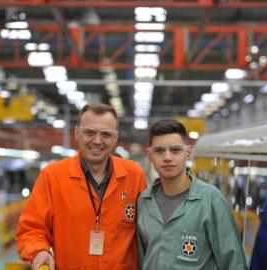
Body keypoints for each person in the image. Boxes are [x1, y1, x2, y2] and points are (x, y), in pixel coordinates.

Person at [15, 102, 147, 270]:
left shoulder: (134, 175)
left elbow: (148, 231)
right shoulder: (53, 176)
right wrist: (39, 251)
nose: (97, 141)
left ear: (115, 138)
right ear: (77, 133)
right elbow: (31, 230)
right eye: (90, 132)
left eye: (106, 134)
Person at [137, 119, 247, 270]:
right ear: (150, 155)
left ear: (187, 152)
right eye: (159, 150)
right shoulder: (144, 202)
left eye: (175, 150)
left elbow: (234, 264)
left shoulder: (211, 200)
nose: (167, 157)